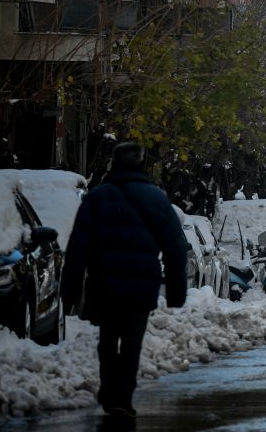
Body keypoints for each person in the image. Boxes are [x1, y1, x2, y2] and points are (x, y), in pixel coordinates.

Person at [62, 142, 188, 419]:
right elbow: (176, 248)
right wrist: (178, 291)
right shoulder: (155, 198)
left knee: (107, 340)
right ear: (142, 165)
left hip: (103, 283)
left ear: (114, 165)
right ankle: (124, 397)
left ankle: (109, 392)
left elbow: (77, 248)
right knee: (132, 342)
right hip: (141, 287)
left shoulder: (97, 198)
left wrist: (69, 289)